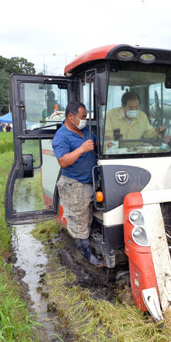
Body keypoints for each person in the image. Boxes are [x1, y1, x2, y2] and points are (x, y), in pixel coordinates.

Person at [51, 101, 103, 266]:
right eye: (82, 117)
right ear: (70, 117)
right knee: (79, 221)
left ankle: (87, 246)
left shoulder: (85, 131)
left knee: (87, 218)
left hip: (90, 182)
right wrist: (81, 149)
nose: (85, 120)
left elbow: (95, 145)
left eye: (86, 117)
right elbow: (63, 161)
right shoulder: (61, 136)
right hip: (74, 185)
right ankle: (87, 255)